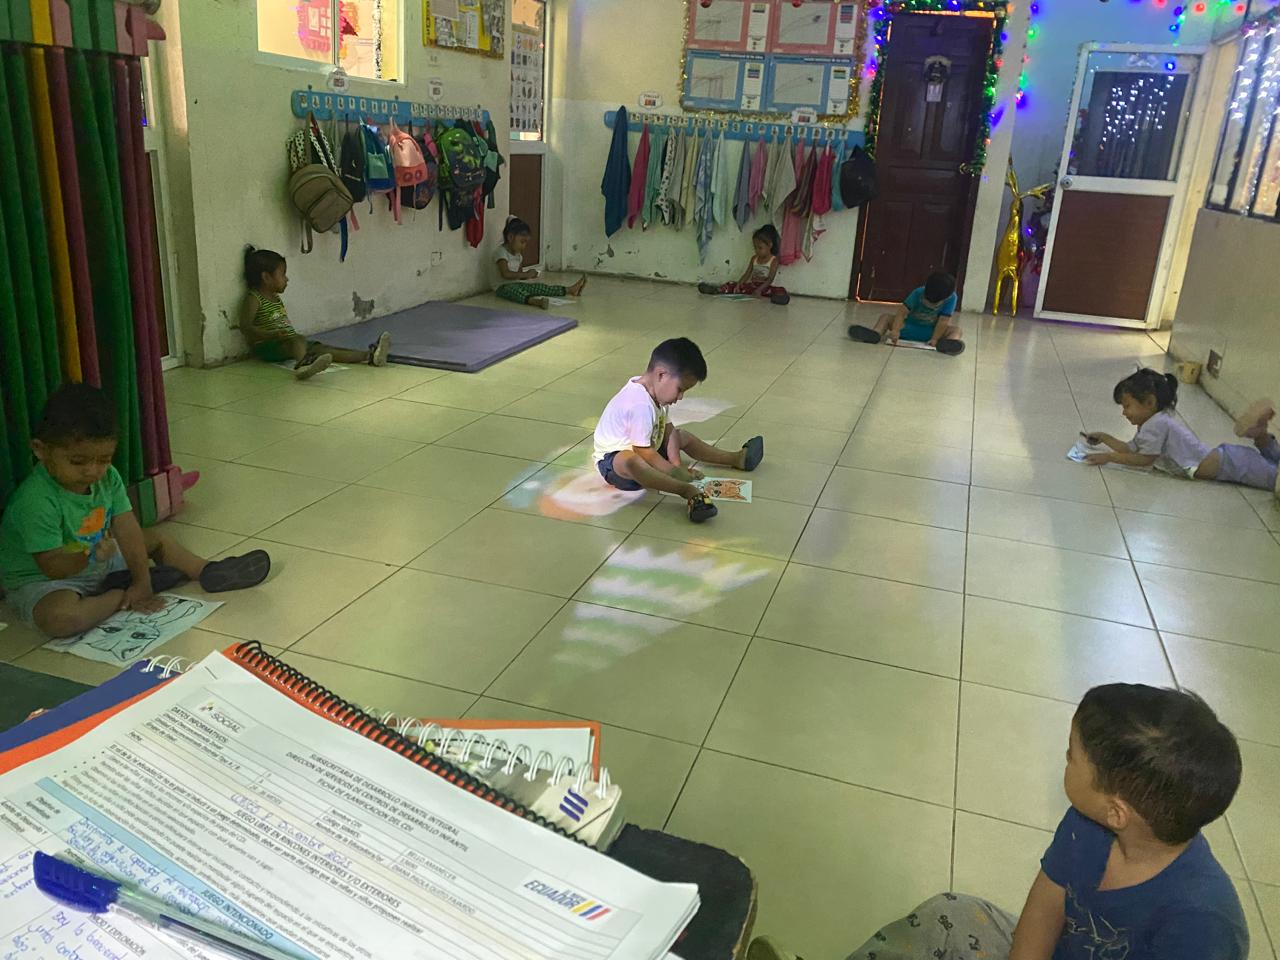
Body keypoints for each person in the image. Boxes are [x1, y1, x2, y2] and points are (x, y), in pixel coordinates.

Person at [748, 683, 1248, 960]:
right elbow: (1046, 906)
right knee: (952, 914)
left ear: (1117, 810)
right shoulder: (1089, 823)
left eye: (1071, 756)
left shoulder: (1203, 924)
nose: (1063, 760)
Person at [0, 384, 271, 639]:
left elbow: (127, 528)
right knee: (60, 618)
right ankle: (117, 594)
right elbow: (53, 567)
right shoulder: (35, 500)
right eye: (78, 461)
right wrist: (91, 558)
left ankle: (206, 570)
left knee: (156, 539)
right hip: (47, 580)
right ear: (41, 450)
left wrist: (142, 583)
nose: (92, 471)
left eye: (104, 460)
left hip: (98, 557)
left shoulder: (108, 478)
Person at [593, 338, 765, 523]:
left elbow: (668, 429)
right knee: (631, 460)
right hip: (616, 464)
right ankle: (687, 491)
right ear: (661, 375)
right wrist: (673, 473)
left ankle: (736, 459)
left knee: (680, 436)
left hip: (648, 449)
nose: (681, 397)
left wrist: (676, 465)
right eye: (680, 389)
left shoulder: (655, 392)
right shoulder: (639, 404)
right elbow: (642, 451)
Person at [1083, 368, 1280, 498]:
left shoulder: (1156, 424)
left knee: (1276, 480)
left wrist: (1109, 457)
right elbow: (1131, 449)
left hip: (1232, 465)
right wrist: (1105, 438)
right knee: (1275, 465)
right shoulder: (1154, 422)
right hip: (1231, 460)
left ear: (1150, 402)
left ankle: (1261, 433)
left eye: (1127, 406)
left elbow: (1144, 459)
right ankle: (1261, 434)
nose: (1124, 413)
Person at [239, 246, 391, 380]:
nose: (287, 279)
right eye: (283, 274)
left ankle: (369, 356)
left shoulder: (275, 298)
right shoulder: (254, 298)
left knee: (323, 349)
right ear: (266, 277)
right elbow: (245, 327)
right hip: (268, 346)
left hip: (287, 342)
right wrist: (270, 335)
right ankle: (303, 365)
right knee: (298, 339)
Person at [848, 271, 964, 356]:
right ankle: (876, 334)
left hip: (932, 332)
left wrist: (935, 338)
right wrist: (895, 330)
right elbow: (902, 313)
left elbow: (943, 321)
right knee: (886, 317)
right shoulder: (918, 292)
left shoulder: (951, 298)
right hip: (907, 327)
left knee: (956, 330)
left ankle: (948, 343)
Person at [494, 217, 586, 309]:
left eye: (526, 243)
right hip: (501, 287)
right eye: (522, 242)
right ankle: (535, 301)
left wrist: (530, 274)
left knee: (538, 287)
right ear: (510, 237)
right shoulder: (501, 252)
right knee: (514, 291)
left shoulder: (519, 256)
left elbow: (519, 275)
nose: (524, 246)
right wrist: (526, 274)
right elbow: (505, 274)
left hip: (515, 284)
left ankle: (569, 290)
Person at [698, 224, 790, 305]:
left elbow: (770, 279)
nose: (757, 250)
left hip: (765, 287)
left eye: (760, 248)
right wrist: (739, 284)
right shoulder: (754, 259)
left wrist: (760, 290)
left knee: (780, 290)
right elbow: (747, 274)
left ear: (770, 245)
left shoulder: (773, 260)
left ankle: (779, 299)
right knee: (732, 284)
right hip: (753, 286)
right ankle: (717, 290)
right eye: (755, 247)